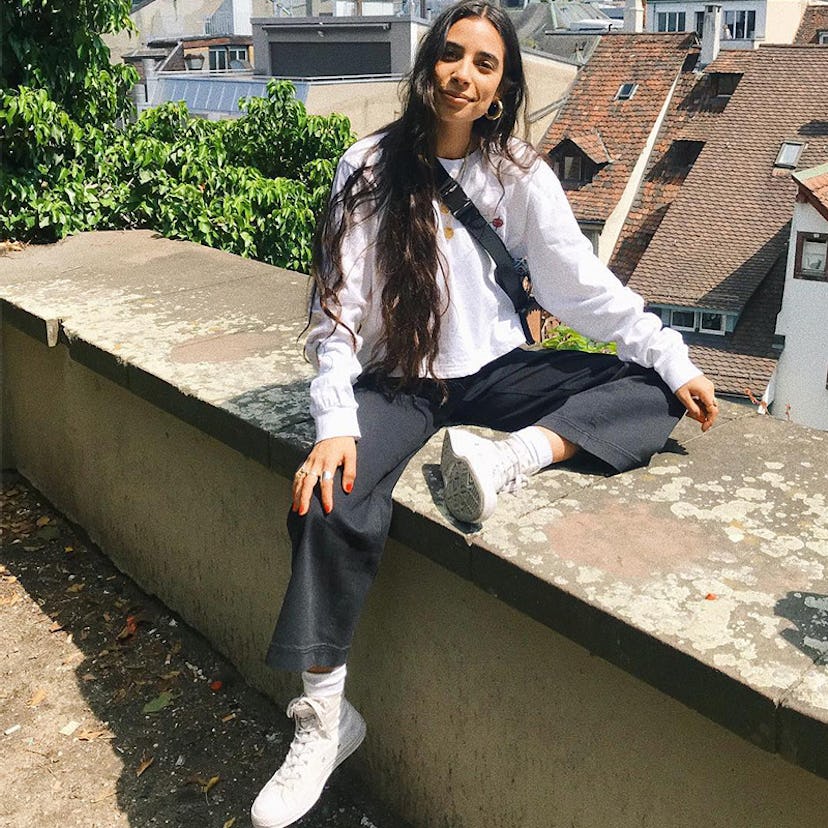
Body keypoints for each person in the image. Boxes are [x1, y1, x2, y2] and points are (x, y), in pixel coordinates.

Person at [250, 2, 718, 826]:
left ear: (502, 86)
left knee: (649, 393)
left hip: (497, 373)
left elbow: (583, 290)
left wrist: (673, 354)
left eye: (486, 64)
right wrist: (333, 422)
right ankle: (325, 718)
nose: (465, 74)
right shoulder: (365, 168)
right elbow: (338, 316)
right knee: (329, 500)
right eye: (453, 55)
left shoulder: (520, 176)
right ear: (429, 63)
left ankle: (510, 460)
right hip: (398, 381)